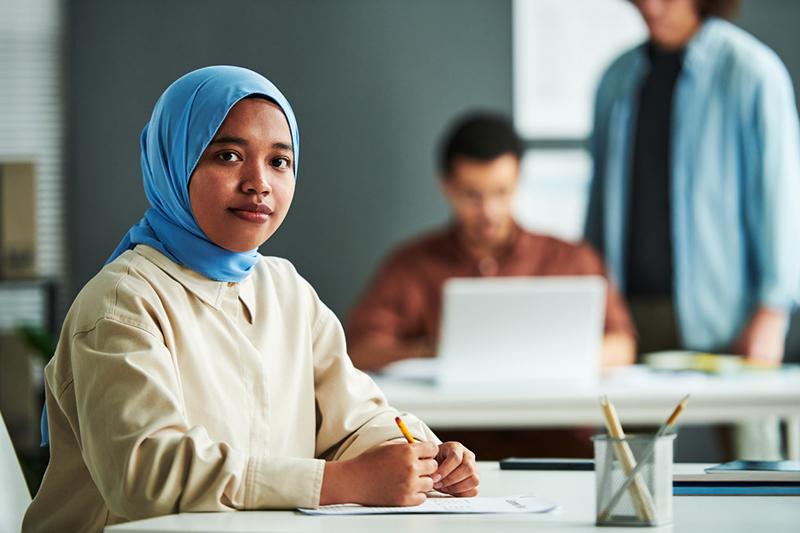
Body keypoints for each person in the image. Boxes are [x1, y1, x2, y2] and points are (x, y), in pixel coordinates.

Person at [23, 66, 479, 532]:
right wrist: (337, 483)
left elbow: (356, 420)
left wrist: (423, 456)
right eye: (227, 155)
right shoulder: (123, 301)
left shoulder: (286, 289)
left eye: (279, 161)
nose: (258, 182)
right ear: (173, 163)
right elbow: (149, 477)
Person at [585, 0, 800, 458]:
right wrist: (595, 300)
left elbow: (780, 196)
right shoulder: (618, 78)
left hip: (730, 318)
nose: (650, 6)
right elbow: (598, 201)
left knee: (755, 464)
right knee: (629, 467)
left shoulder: (751, 72)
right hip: (633, 314)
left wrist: (772, 310)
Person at [347, 112, 636, 373]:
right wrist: (436, 351)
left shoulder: (571, 259)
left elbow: (621, 345)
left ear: (519, 180)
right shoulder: (410, 265)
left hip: (553, 429)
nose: (489, 211)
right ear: (446, 187)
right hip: (446, 431)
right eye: (472, 195)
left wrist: (538, 360)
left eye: (502, 192)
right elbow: (360, 349)